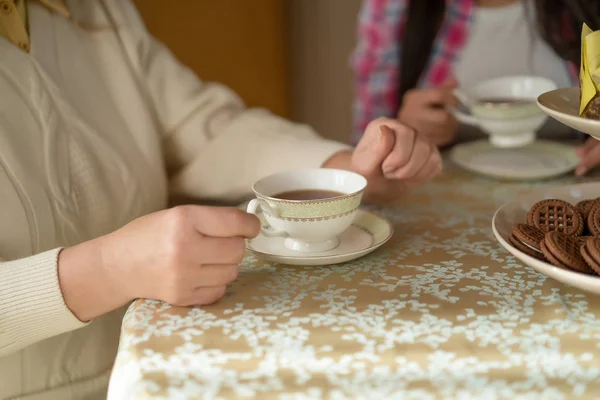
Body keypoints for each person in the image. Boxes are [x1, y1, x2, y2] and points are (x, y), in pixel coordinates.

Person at [0, 1, 443, 398]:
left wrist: (347, 170)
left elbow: (202, 129)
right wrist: (107, 270)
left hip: (164, 370)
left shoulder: (97, 10)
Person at [352, 0, 600, 175]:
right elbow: (361, 158)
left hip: (575, 188)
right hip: (439, 206)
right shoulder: (392, 7)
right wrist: (399, 135)